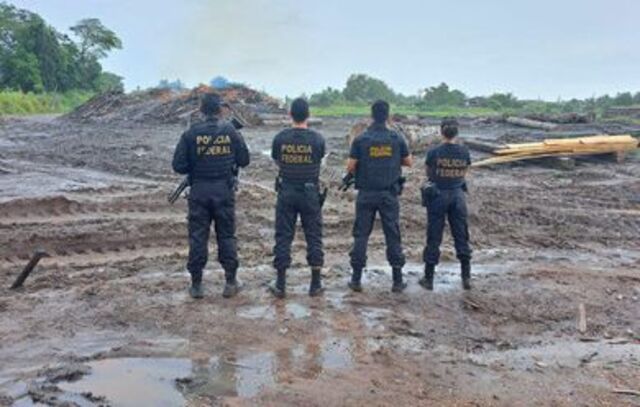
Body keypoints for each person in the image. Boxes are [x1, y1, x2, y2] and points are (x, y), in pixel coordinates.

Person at [172, 92, 250, 299]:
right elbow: (244, 160)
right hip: (224, 191)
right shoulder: (231, 131)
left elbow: (178, 165)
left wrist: (194, 164)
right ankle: (231, 282)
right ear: (220, 110)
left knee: (198, 237)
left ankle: (197, 285)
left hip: (199, 192)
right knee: (226, 236)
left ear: (201, 110)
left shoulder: (190, 134)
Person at [347, 100, 413, 293]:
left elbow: (350, 167)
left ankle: (356, 280)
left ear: (371, 116)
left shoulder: (361, 139)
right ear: (388, 116)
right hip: (389, 195)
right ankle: (397, 281)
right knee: (392, 235)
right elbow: (408, 162)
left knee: (361, 235)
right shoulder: (396, 137)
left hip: (366, 194)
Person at [269, 98, 326, 298]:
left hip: (287, 191)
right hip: (310, 193)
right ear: (308, 115)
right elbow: (318, 159)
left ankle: (281, 284)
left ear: (290, 114)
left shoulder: (280, 138)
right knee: (314, 235)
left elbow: (277, 160)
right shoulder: (318, 139)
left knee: (283, 236)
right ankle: (315, 283)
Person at [421, 117, 472, 290]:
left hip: (437, 196)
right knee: (461, 236)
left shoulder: (434, 152)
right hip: (458, 196)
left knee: (434, 237)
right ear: (456, 132)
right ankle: (466, 278)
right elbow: (465, 172)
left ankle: (428, 279)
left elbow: (429, 173)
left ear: (441, 131)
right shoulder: (464, 152)